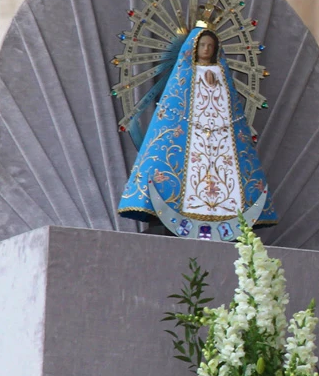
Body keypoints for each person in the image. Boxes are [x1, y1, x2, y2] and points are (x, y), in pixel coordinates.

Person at [118, 25, 276, 237]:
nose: (207, 49)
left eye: (211, 46)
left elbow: (228, 109)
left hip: (220, 139)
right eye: (203, 45)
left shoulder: (221, 76)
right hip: (190, 139)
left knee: (222, 174)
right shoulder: (183, 76)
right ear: (193, 47)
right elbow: (173, 109)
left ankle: (226, 214)